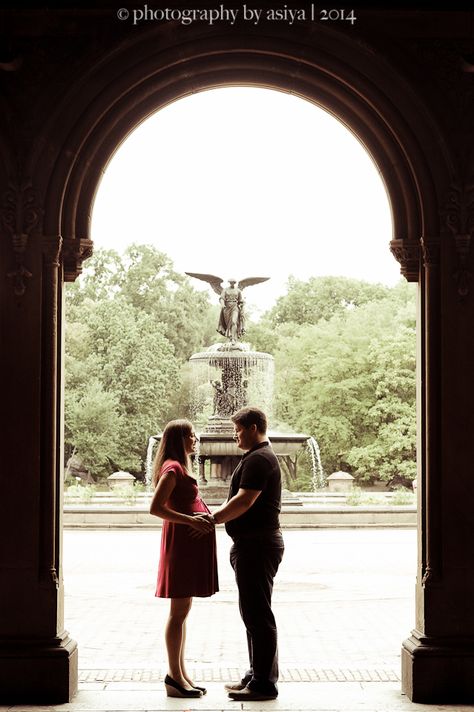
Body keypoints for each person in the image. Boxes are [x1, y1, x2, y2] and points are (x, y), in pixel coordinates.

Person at [206, 406, 284, 701]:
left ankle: (264, 683)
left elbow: (244, 501)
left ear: (252, 428)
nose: (235, 436)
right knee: (252, 612)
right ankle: (256, 674)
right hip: (255, 544)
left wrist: (211, 519)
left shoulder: (259, 459)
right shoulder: (259, 457)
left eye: (238, 430)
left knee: (258, 614)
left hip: (257, 545)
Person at [149, 419, 218, 698]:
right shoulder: (173, 468)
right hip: (180, 546)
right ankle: (174, 677)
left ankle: (181, 674)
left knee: (182, 613)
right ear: (178, 439)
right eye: (190, 436)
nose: (195, 440)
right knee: (177, 614)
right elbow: (155, 508)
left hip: (186, 547)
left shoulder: (179, 465)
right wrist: (191, 520)